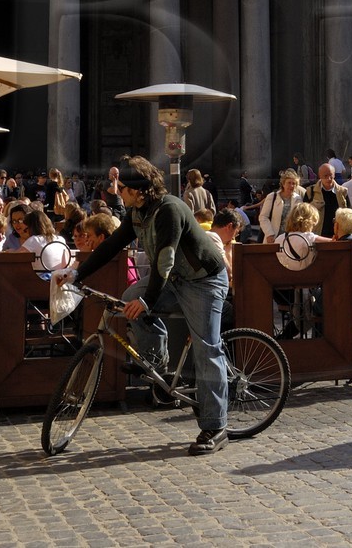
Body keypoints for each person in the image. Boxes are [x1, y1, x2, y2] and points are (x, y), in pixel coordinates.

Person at [67, 156, 230, 456]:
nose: (118, 191)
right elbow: (112, 245)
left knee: (206, 348)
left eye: (123, 187)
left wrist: (148, 301)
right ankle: (158, 364)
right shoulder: (137, 212)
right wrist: (78, 272)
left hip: (203, 280)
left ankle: (215, 426)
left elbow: (165, 260)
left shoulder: (169, 210)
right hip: (174, 278)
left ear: (139, 191)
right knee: (127, 300)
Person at [306, 162, 351, 237]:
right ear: (320, 176)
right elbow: (305, 214)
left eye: (331, 175)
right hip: (317, 233)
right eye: (325, 176)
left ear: (334, 175)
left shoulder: (343, 192)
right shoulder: (310, 191)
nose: (329, 179)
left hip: (338, 234)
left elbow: (349, 212)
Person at [258, 170, 305, 240]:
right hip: (273, 237)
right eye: (289, 183)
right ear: (283, 184)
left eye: (294, 183)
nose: (291, 186)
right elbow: (263, 217)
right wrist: (269, 234)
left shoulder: (298, 199)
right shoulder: (272, 197)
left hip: (290, 239)